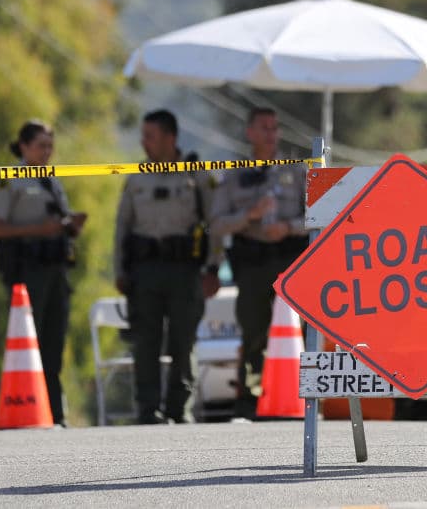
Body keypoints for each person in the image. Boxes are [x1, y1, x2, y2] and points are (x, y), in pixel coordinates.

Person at [114, 109, 221, 424]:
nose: (144, 142)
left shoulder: (196, 175)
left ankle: (178, 407)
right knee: (145, 340)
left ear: (170, 138)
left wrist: (213, 268)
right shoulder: (136, 177)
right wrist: (120, 270)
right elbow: (122, 227)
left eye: (150, 136)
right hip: (144, 270)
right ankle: (147, 409)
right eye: (143, 136)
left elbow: (215, 224)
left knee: (182, 340)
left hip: (184, 270)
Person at [0, 120, 87, 427]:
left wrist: (69, 225)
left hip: (56, 269)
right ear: (24, 146)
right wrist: (38, 229)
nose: (47, 151)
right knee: (30, 342)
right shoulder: (9, 179)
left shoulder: (51, 179)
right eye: (41, 145)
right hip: (28, 271)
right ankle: (27, 408)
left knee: (55, 342)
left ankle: (55, 412)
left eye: (50, 145)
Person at [210, 107, 309, 420]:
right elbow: (216, 224)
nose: (271, 133)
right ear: (249, 132)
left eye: (275, 127)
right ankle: (251, 400)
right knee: (253, 331)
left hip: (289, 261)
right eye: (264, 127)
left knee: (297, 331)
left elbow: (316, 217)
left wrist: (288, 227)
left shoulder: (296, 171)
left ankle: (301, 397)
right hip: (252, 263)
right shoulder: (234, 174)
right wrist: (248, 215)